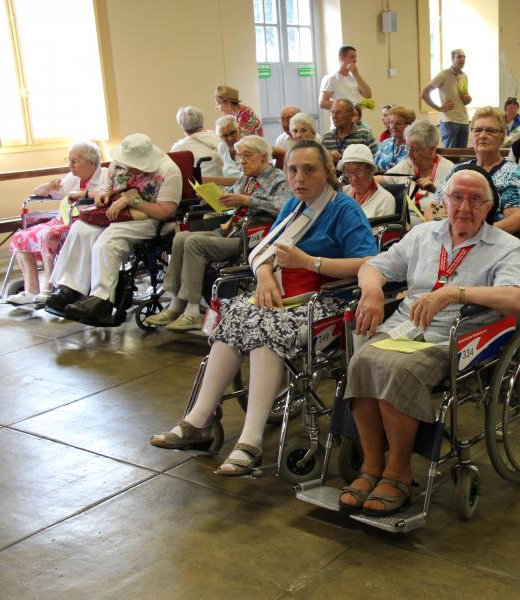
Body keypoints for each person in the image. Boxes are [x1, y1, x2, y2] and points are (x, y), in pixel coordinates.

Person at [150, 140, 376, 476]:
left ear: (328, 171)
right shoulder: (293, 206)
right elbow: (264, 251)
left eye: (309, 169)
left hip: (327, 298)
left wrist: (310, 262)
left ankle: (252, 440)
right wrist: (266, 274)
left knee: (265, 330)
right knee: (234, 317)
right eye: (293, 170)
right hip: (281, 292)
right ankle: (199, 420)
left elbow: (369, 263)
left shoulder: (344, 210)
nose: (299, 178)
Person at [340, 167, 520, 515]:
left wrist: (454, 294)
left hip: (458, 337)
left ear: (489, 207)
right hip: (405, 327)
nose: (464, 207)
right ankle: (371, 465)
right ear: (444, 200)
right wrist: (371, 292)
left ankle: (398, 472)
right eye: (457, 197)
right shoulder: (423, 234)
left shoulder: (506, 246)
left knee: (402, 369)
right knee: (362, 361)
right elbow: (374, 266)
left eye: (475, 200)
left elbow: (515, 299)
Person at [146, 135, 290, 331]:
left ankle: (192, 309)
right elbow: (231, 194)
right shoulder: (246, 178)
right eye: (238, 157)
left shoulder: (279, 179)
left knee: (193, 242)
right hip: (230, 229)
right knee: (181, 237)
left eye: (247, 156)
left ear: (264, 156)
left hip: (252, 239)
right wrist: (211, 195)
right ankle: (176, 302)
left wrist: (248, 201)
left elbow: (284, 208)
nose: (242, 162)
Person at [45, 134, 182, 321]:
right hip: (116, 215)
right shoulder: (119, 162)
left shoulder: (168, 171)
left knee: (107, 242)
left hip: (149, 219)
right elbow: (106, 187)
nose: (129, 169)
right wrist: (104, 195)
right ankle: (69, 287)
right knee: (80, 228)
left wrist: (132, 200)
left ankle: (101, 299)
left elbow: (165, 211)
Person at [6, 141, 106, 305]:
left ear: (91, 162)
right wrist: (48, 186)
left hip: (87, 223)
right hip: (64, 219)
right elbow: (38, 192)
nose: (70, 166)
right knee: (20, 236)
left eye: (75, 161)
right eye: (69, 161)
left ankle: (49, 288)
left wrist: (82, 193)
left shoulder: (104, 176)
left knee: (49, 235)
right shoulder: (72, 179)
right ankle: (31, 290)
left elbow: (106, 194)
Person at [433, 107, 520, 234]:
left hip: (488, 242)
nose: (483, 136)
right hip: (447, 236)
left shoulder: (512, 174)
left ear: (502, 137)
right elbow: (434, 206)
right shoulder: (457, 171)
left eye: (490, 131)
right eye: (478, 130)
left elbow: (516, 218)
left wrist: (476, 234)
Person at [379, 120, 454, 224]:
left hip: (431, 226)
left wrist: (435, 191)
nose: (408, 154)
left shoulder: (450, 171)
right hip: (402, 225)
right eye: (407, 148)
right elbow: (377, 180)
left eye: (413, 150)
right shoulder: (407, 165)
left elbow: (451, 203)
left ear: (432, 150)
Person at [421, 49, 472, 148]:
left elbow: (465, 99)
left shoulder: (464, 76)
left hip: (464, 120)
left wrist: (468, 98)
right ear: (452, 59)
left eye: (464, 57)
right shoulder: (444, 74)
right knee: (450, 156)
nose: (462, 59)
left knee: (461, 158)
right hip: (449, 121)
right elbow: (424, 93)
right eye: (459, 56)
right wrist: (439, 108)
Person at [338, 144, 397, 220]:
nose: (354, 178)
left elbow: (379, 231)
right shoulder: (342, 193)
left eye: (358, 172)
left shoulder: (385, 200)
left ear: (370, 170)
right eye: (349, 172)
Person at [171, 106, 223, 177]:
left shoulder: (178, 148)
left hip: (198, 187)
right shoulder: (217, 137)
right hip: (224, 185)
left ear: (181, 125)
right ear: (202, 121)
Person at [322, 99, 378, 163]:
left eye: (339, 112)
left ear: (351, 115)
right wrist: (328, 156)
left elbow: (375, 161)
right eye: (332, 112)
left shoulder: (364, 135)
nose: (334, 116)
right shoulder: (327, 137)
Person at [319, 45, 373, 110]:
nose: (355, 60)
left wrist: (356, 74)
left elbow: (368, 95)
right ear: (341, 58)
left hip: (356, 119)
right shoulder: (331, 78)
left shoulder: (355, 78)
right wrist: (347, 106)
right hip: (341, 119)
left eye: (355, 57)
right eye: (352, 57)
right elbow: (322, 103)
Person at [374, 105, 416, 171]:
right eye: (391, 122)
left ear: (409, 125)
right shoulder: (385, 144)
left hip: (405, 181)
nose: (393, 126)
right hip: (380, 180)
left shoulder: (414, 147)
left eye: (398, 123)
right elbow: (374, 168)